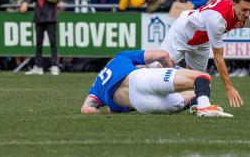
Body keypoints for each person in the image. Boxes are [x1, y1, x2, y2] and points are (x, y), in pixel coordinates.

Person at [161, 0, 250, 108]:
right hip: (182, 32)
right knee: (159, 69)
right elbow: (218, 57)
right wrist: (229, 87)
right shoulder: (217, 18)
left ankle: (192, 105)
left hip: (203, 41)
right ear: (233, 4)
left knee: (199, 81)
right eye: (244, 9)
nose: (247, 14)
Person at [81, 50, 233, 117]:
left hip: (142, 105)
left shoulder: (97, 87)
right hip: (140, 80)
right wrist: (169, 66)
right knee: (202, 77)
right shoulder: (121, 57)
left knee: (195, 91)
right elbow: (162, 54)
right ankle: (204, 106)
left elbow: (86, 109)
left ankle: (197, 105)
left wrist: (108, 112)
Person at [25, 0, 64, 75]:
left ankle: (54, 65)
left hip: (50, 14)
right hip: (38, 13)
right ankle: (38, 66)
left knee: (52, 41)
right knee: (38, 42)